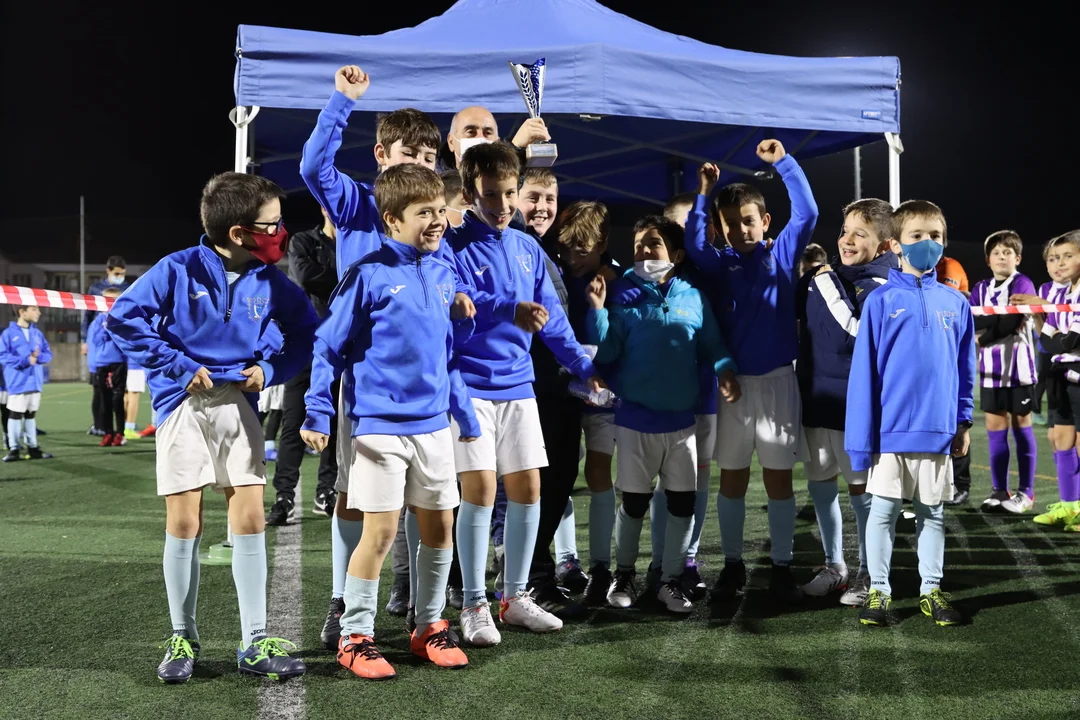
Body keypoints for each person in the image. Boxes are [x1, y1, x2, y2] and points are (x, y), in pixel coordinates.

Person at [105, 171, 318, 683]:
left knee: (250, 516)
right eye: (272, 225)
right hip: (181, 402)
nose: (281, 233)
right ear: (239, 233)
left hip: (237, 404)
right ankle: (183, 637)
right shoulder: (176, 269)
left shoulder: (271, 280)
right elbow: (123, 319)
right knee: (185, 523)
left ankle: (254, 641)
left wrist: (270, 370)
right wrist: (178, 365)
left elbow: (307, 333)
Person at [299, 66, 457, 645]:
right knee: (351, 494)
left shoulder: (433, 222)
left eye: (429, 157)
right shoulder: (358, 204)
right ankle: (345, 601)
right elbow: (313, 168)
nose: (420, 164)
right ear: (381, 153)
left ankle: (414, 595)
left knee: (426, 499)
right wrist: (342, 101)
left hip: (424, 388)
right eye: (408, 153)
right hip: (366, 383)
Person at [447, 140, 602, 645]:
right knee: (479, 493)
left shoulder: (526, 247)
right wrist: (505, 309)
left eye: (510, 193)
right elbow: (455, 306)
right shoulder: (451, 245)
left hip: (519, 388)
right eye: (492, 194)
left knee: (529, 490)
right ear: (469, 192)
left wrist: (582, 365)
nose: (504, 204)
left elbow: (551, 320)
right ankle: (473, 604)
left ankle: (514, 597)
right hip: (470, 387)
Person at [688, 140, 819, 605]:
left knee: (779, 481)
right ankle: (733, 565)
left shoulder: (782, 254)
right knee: (733, 480)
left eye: (749, 220)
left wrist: (783, 163)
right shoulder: (719, 263)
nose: (741, 230)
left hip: (779, 383)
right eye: (731, 224)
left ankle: (781, 566)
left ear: (765, 221)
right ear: (721, 228)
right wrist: (704, 194)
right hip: (734, 390)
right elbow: (694, 244)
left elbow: (808, 212)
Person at [586, 215, 739, 613]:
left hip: (683, 424)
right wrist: (598, 311)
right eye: (638, 244)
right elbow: (606, 352)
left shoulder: (693, 296)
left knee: (683, 504)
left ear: (677, 254)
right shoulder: (621, 292)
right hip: (636, 421)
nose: (643, 251)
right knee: (634, 504)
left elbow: (713, 345)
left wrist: (725, 371)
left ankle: (670, 581)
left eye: (653, 243)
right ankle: (624, 574)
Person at [846, 199, 972, 628]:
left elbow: (964, 370)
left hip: (938, 431)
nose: (927, 243)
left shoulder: (956, 303)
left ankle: (930, 590)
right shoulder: (880, 301)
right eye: (917, 235)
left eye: (935, 236)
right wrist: (862, 439)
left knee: (932, 513)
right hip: (891, 433)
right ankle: (879, 591)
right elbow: (864, 375)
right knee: (882, 514)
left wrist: (963, 421)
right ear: (896, 245)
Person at [796, 198, 897, 606]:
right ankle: (834, 565)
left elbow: (854, 336)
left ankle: (870, 571)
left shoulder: (883, 286)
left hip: (854, 407)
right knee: (820, 485)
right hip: (816, 398)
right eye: (844, 231)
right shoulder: (828, 276)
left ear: (885, 245)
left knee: (862, 493)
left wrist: (824, 284)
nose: (847, 240)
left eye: (860, 234)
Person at [545, 200, 620, 607]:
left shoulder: (617, 280)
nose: (573, 257)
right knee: (561, 475)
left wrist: (600, 308)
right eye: (566, 248)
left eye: (582, 249)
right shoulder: (554, 273)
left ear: (602, 245)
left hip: (605, 396)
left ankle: (603, 566)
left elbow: (614, 342)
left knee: (598, 475)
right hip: (565, 395)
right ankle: (568, 558)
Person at [265, 205, 342, 525]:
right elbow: (306, 277)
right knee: (294, 423)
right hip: (306, 346)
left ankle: (327, 491)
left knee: (336, 426)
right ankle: (284, 496)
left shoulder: (356, 242)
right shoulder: (303, 241)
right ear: (323, 206)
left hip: (342, 347)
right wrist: (349, 279)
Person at [969, 230, 1039, 513]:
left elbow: (1011, 322)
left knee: (1021, 427)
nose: (1001, 257)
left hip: (1019, 369)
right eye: (996, 253)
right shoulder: (980, 288)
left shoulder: (1022, 283)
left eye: (1007, 252)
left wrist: (985, 336)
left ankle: (1026, 493)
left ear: (1017, 258)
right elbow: (973, 320)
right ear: (988, 260)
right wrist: (996, 318)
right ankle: (999, 491)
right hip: (990, 371)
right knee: (995, 429)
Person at [1024, 230, 1080, 530]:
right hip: (1061, 374)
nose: (1059, 263)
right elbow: (1048, 344)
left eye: (1068, 256)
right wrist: (1043, 321)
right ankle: (1070, 507)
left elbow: (1069, 342)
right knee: (1060, 440)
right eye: (1054, 258)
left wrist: (1055, 335)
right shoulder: (1059, 294)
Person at [81, 256, 130, 436]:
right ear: (108, 271)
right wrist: (84, 340)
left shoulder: (127, 288)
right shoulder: (95, 289)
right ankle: (99, 426)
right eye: (117, 273)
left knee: (119, 392)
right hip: (99, 345)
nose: (120, 277)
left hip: (118, 346)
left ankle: (120, 429)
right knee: (98, 388)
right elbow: (87, 316)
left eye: (122, 273)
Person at [1, 304, 53, 462]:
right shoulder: (8, 334)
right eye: (34, 309)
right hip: (18, 381)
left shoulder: (37, 333)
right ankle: (14, 449)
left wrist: (38, 358)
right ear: (22, 312)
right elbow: (3, 356)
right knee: (15, 414)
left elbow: (48, 353)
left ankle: (33, 448)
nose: (39, 312)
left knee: (31, 415)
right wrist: (25, 361)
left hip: (35, 381)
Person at [88, 287, 129, 447]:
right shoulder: (97, 321)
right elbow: (96, 340)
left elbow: (124, 340)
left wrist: (111, 329)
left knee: (117, 400)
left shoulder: (122, 318)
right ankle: (108, 433)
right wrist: (106, 331)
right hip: (102, 364)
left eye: (111, 300)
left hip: (118, 362)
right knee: (104, 402)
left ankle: (120, 433)